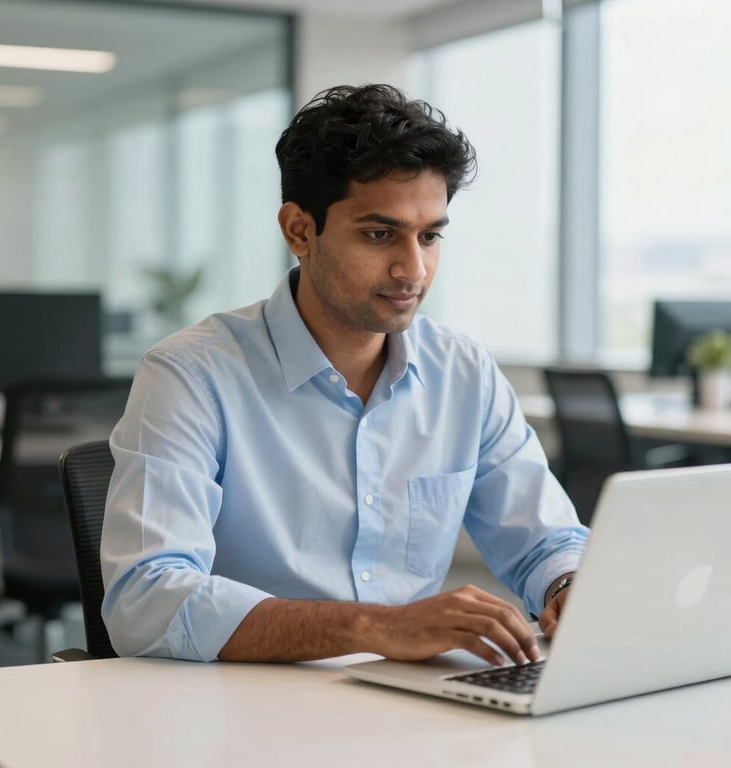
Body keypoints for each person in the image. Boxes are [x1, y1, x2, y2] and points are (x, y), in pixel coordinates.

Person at [101, 83, 588, 667]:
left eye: (430, 235)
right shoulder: (191, 374)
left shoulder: (464, 372)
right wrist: (373, 627)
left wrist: (567, 585)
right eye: (380, 234)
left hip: (413, 705)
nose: (413, 269)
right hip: (248, 712)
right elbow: (146, 600)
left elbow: (546, 539)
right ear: (300, 231)